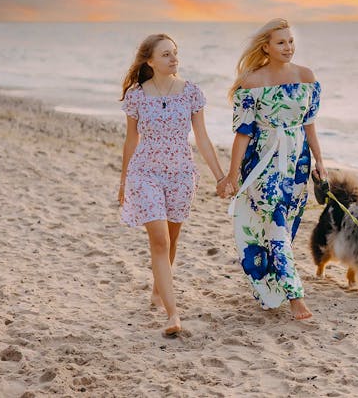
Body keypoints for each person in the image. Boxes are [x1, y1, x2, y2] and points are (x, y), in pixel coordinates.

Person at [119, 33, 227, 337]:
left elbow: (203, 139)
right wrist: (124, 180)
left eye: (175, 53)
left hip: (181, 174)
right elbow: (131, 140)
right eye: (166, 54)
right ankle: (172, 313)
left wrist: (220, 176)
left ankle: (158, 289)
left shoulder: (191, 92)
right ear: (149, 60)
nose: (173, 58)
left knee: (172, 240)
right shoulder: (136, 96)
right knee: (160, 242)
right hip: (145, 174)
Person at [219, 18, 326, 320]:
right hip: (262, 159)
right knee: (275, 221)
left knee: (284, 225)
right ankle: (296, 297)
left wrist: (320, 162)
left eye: (291, 41)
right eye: (281, 42)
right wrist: (232, 174)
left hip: (297, 160)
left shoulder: (307, 77)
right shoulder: (251, 82)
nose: (288, 47)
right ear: (265, 46)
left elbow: (309, 124)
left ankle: (270, 285)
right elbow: (243, 132)